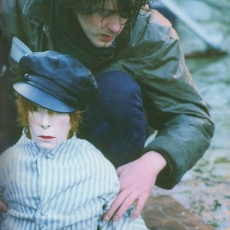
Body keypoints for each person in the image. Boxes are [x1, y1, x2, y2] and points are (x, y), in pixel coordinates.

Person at [0, 0, 214, 222]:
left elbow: (191, 116)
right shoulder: (14, 9)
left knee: (119, 89)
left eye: (125, 14)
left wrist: (151, 162)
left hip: (102, 140)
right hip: (22, 134)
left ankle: (105, 207)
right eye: (104, 13)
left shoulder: (154, 33)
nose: (116, 26)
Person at [0, 51, 148, 229]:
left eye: (58, 112)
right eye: (35, 108)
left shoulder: (95, 166)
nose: (45, 123)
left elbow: (121, 220)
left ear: (73, 118)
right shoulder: (8, 161)